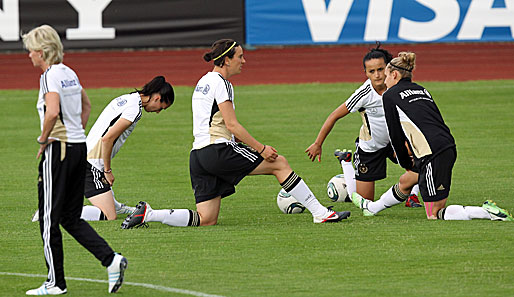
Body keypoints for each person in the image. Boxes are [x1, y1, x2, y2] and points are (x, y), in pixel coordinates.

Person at [121, 39, 350, 229]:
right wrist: (261, 149)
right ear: (227, 59)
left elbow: (215, 123)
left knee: (207, 219)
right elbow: (231, 125)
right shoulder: (222, 83)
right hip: (217, 150)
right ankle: (320, 212)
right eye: (240, 56)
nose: (244, 61)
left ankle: (149, 214)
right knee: (279, 163)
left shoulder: (202, 82)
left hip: (197, 157)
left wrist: (245, 145)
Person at [23, 24, 127, 295]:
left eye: (31, 50)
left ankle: (55, 282)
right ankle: (111, 259)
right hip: (78, 147)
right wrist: (76, 132)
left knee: (48, 218)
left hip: (60, 150)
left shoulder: (48, 76)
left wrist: (45, 139)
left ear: (41, 51)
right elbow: (87, 105)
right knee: (69, 217)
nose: (29, 56)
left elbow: (52, 111)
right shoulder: (69, 72)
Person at [351, 51, 513, 221]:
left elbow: (395, 136)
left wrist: (405, 161)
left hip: (431, 154)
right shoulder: (421, 89)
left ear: (395, 74)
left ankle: (485, 212)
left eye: (386, 76)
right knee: (407, 181)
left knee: (434, 213)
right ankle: (372, 208)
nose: (384, 81)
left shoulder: (390, 95)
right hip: (446, 145)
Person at [305, 43, 421, 207]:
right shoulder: (364, 94)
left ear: (389, 69)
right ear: (365, 73)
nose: (377, 75)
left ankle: (412, 196)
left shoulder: (400, 87)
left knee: (421, 160)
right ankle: (346, 162)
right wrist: (318, 143)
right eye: (371, 71)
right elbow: (334, 116)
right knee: (364, 201)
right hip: (371, 147)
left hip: (396, 142)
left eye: (380, 69)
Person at [80, 76, 174, 221]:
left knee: (111, 206)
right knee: (109, 216)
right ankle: (58, 212)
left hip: (86, 154)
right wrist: (107, 170)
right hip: (91, 163)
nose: (158, 112)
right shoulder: (134, 110)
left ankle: (117, 206)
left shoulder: (129, 98)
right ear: (157, 98)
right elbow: (107, 139)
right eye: (161, 107)